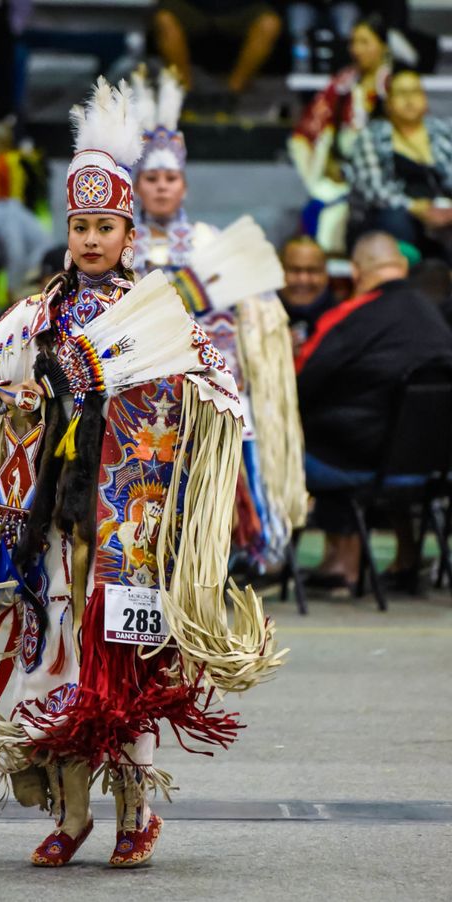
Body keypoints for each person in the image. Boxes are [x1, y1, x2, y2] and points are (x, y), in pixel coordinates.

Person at [0, 77, 283, 869]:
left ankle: (135, 814)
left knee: (129, 664)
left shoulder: (160, 311)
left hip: (132, 529)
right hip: (53, 526)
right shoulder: (42, 311)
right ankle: (72, 816)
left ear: (128, 231)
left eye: (105, 226)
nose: (90, 240)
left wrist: (165, 411)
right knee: (59, 663)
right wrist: (19, 394)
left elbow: (223, 393)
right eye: (80, 226)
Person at [131, 67, 306, 572]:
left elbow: (257, 310)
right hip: (140, 384)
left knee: (240, 422)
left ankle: (247, 543)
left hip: (212, 383)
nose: (162, 188)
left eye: (170, 179)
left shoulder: (210, 242)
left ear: (183, 185)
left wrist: (243, 354)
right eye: (152, 179)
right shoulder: (119, 244)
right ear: (138, 186)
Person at [296, 231, 452, 589]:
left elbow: (302, 381)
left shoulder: (351, 315)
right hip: (430, 466)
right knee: (388, 426)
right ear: (401, 266)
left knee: (290, 442)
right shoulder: (436, 319)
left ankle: (335, 562)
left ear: (356, 271)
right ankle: (405, 555)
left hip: (356, 463)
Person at [288, 14, 390, 253]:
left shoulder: (395, 86)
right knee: (317, 209)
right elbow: (313, 128)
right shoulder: (342, 85)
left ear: (383, 46)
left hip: (386, 175)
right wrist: (329, 162)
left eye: (365, 42)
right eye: (353, 42)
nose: (356, 50)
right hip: (343, 176)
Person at [345, 68, 452, 261]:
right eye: (401, 94)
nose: (409, 100)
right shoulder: (371, 136)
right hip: (392, 215)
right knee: (395, 219)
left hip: (442, 214)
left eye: (415, 92)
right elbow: (374, 191)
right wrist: (415, 208)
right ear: (388, 102)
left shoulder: (443, 133)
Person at [152, 0, 282, 106]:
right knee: (164, 19)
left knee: (269, 23)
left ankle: (231, 95)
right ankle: (185, 94)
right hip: (192, 6)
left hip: (242, 7)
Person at [279, 236, 336, 353]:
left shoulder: (343, 320)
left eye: (312, 270)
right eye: (294, 270)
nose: (303, 280)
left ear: (326, 274)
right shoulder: (256, 319)